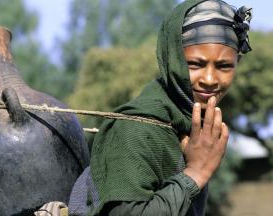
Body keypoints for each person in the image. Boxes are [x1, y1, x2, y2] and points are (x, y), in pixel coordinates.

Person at [69, 0, 252, 215]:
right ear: (172, 59)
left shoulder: (190, 128)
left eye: (224, 66)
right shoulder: (137, 128)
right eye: (195, 64)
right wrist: (196, 172)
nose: (210, 79)